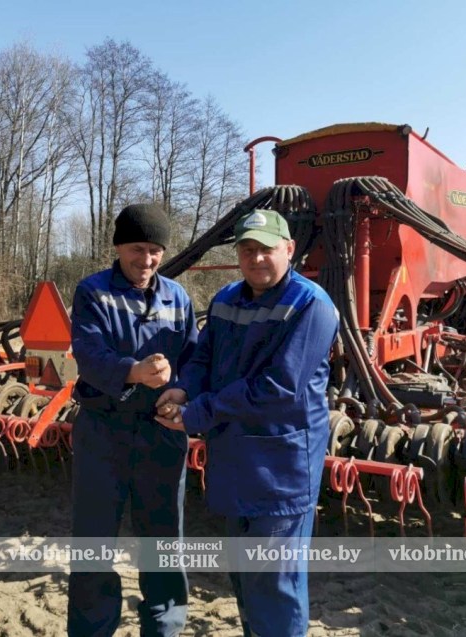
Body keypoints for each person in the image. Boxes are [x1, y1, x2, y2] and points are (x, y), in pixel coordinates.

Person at [155, 208, 338, 637]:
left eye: (266, 250)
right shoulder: (226, 300)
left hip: (281, 470)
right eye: (247, 249)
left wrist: (197, 414)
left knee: (273, 582)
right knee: (244, 575)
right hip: (234, 461)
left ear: (289, 249)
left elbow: (278, 388)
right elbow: (204, 357)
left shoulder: (311, 305)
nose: (256, 259)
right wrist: (183, 389)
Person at [67, 203, 198, 637]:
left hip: (161, 434)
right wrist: (133, 371)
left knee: (162, 540)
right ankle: (91, 629)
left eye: (155, 250)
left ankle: (164, 626)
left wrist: (181, 392)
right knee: (93, 539)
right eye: (138, 249)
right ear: (118, 246)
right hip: (103, 432)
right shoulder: (93, 292)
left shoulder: (177, 297)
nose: (146, 260)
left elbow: (195, 358)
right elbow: (88, 355)